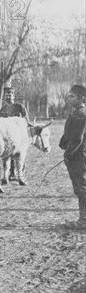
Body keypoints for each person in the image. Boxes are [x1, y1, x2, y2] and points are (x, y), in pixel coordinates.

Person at [59, 84, 86, 230]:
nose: (68, 99)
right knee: (81, 187)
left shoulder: (81, 114)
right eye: (69, 96)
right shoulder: (77, 112)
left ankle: (83, 221)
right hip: (79, 154)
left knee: (81, 188)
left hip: (78, 156)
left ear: (81, 98)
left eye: (72, 96)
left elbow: (77, 139)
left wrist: (68, 154)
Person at [0, 86, 28, 181]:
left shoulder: (19, 107)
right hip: (8, 135)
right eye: (6, 95)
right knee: (8, 155)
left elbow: (26, 120)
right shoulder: (3, 109)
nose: (8, 97)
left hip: (20, 134)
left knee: (20, 154)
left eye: (10, 95)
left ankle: (21, 173)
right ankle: (11, 174)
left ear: (13, 96)